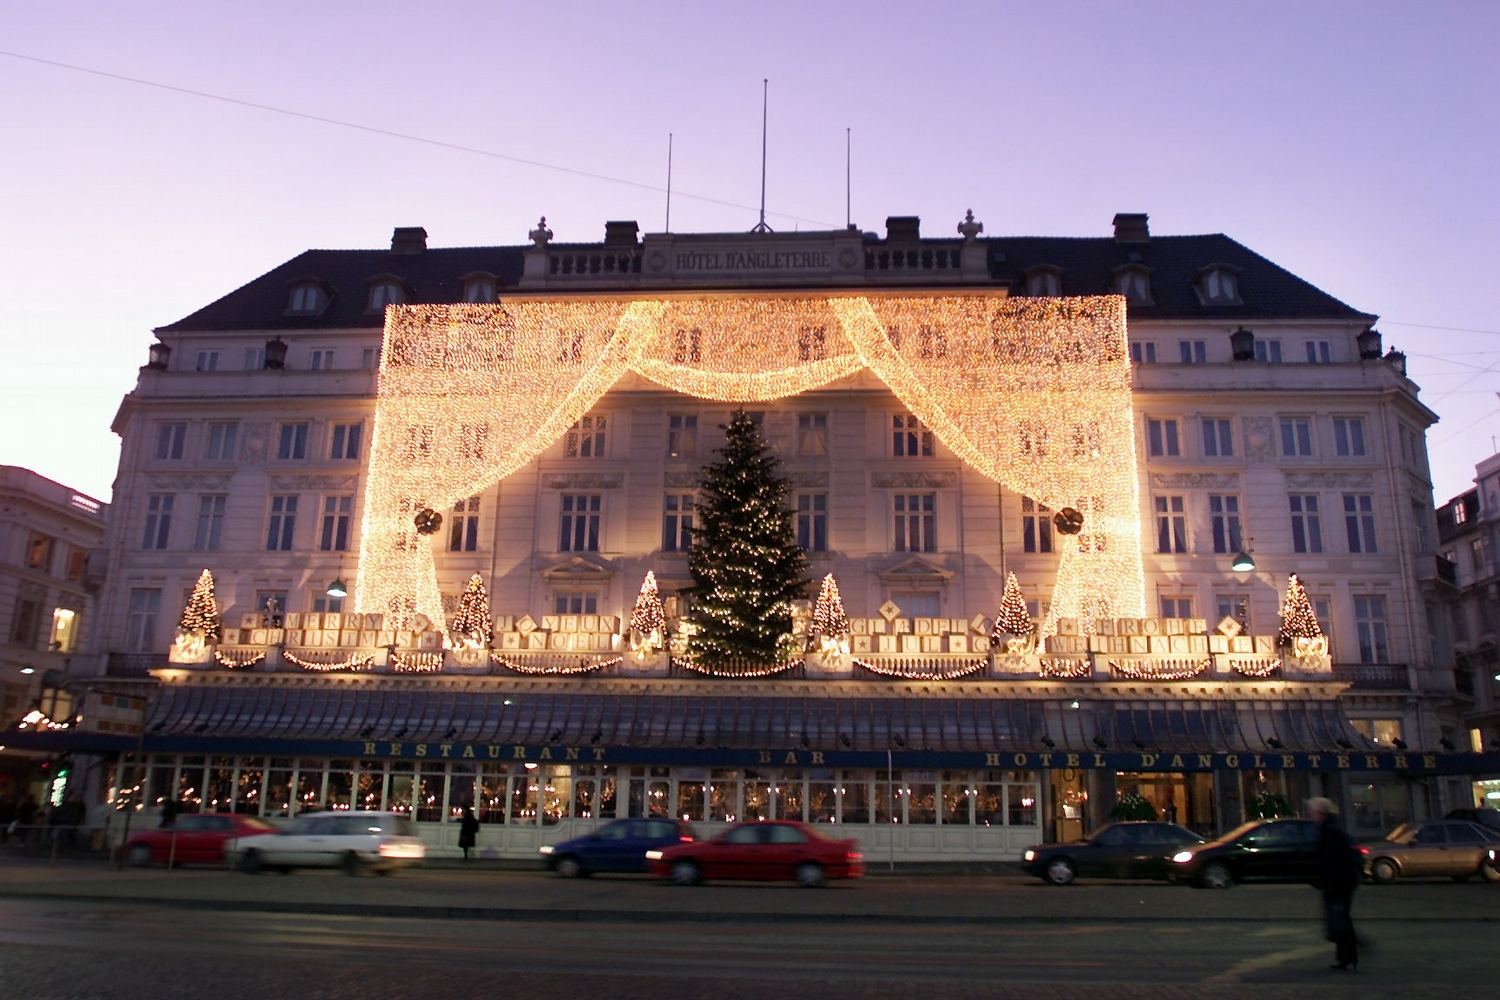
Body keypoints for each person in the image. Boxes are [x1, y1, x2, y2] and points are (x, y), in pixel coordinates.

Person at [1308, 797, 1360, 972]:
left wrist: (1327, 881)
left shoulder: (1329, 832)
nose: (1311, 816)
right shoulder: (1329, 829)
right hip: (1342, 882)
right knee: (1340, 919)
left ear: (1321, 813)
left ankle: (1348, 955)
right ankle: (1347, 956)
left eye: (1313, 812)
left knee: (1339, 920)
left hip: (1339, 883)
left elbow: (1333, 861)